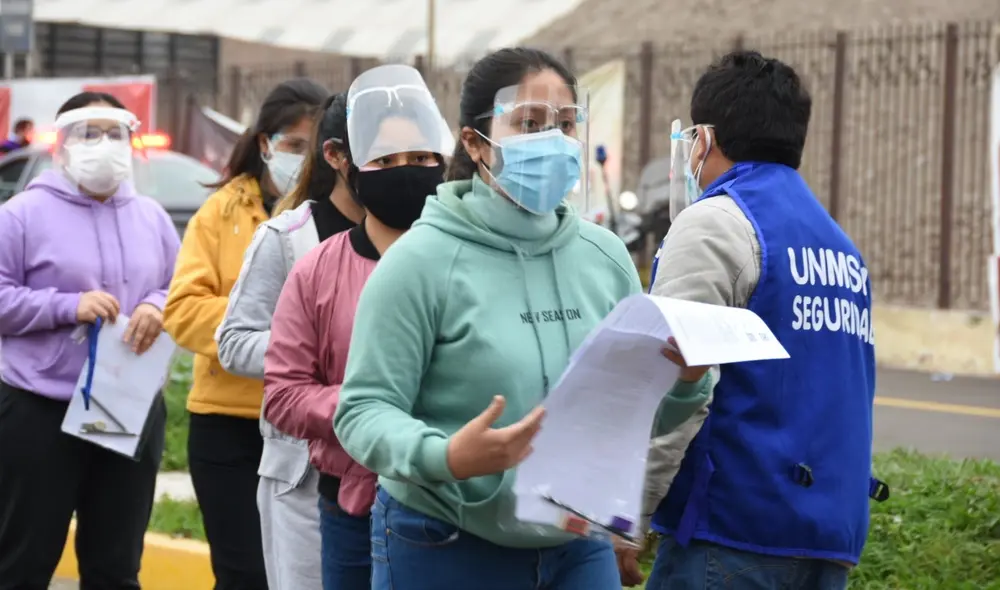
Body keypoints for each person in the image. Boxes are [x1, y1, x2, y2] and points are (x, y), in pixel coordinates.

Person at [332, 48, 713, 590]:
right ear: (473, 141)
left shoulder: (603, 258)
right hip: (443, 541)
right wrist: (446, 455)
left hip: (577, 544)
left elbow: (625, 418)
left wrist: (684, 384)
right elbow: (363, 411)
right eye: (529, 124)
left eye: (564, 124)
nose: (552, 141)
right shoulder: (419, 262)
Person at [637, 50, 879, 590]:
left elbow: (676, 383)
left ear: (704, 138)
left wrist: (626, 518)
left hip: (729, 537)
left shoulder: (716, 224)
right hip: (828, 540)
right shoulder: (841, 250)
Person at [263, 64, 453, 590]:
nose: (406, 171)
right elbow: (283, 394)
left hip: (454, 504)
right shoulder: (317, 270)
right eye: (385, 160)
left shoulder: (469, 261)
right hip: (352, 508)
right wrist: (365, 408)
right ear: (348, 164)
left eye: (419, 158)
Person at [0, 92, 179, 589]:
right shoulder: (21, 215)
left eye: (115, 133)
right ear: (63, 144)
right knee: (24, 561)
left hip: (128, 402)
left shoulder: (152, 218)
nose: (104, 145)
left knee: (116, 565)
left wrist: (155, 307)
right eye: (89, 133)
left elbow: (180, 286)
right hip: (41, 408)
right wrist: (65, 305)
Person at [162, 78, 327, 590]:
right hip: (228, 425)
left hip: (304, 424)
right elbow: (184, 309)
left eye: (313, 148)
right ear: (264, 144)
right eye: (291, 145)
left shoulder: (330, 214)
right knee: (245, 575)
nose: (301, 159)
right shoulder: (222, 212)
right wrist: (276, 328)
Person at [215, 91, 364, 590]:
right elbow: (233, 341)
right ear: (337, 156)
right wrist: (308, 351)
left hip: (390, 469)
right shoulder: (288, 238)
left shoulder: (418, 236)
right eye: (381, 152)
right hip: (302, 474)